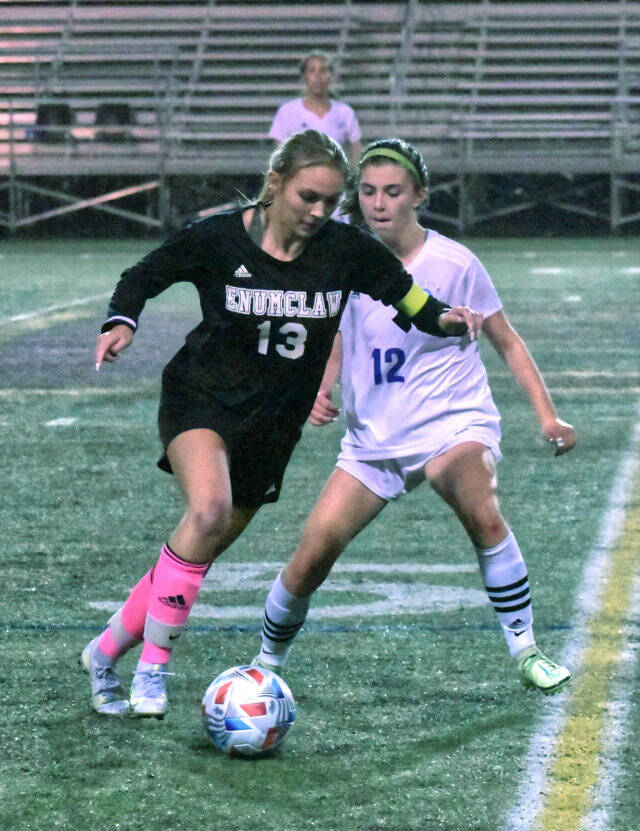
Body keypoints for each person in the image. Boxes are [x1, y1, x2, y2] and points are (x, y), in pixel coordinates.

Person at [81, 130, 481, 718]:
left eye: (330, 201)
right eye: (307, 197)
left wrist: (449, 321)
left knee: (197, 548)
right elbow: (144, 275)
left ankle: (102, 653)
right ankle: (152, 675)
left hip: (272, 425)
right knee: (208, 512)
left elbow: (411, 301)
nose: (320, 212)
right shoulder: (219, 238)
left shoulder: (346, 250)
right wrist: (122, 321)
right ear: (275, 185)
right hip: (202, 400)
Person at [252, 138, 576, 696]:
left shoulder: (453, 263)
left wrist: (548, 417)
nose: (378, 203)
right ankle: (263, 666)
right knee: (312, 554)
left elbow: (506, 340)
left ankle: (526, 649)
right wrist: (322, 389)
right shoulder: (344, 258)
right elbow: (336, 336)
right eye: (369, 191)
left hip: (453, 421)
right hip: (373, 437)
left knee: (481, 508)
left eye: (392, 192)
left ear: (418, 196)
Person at [269, 52, 361, 166]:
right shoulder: (287, 112)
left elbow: (356, 148)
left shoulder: (345, 112)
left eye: (323, 71)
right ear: (304, 76)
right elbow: (280, 153)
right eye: (312, 71)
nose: (317, 77)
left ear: (330, 76)